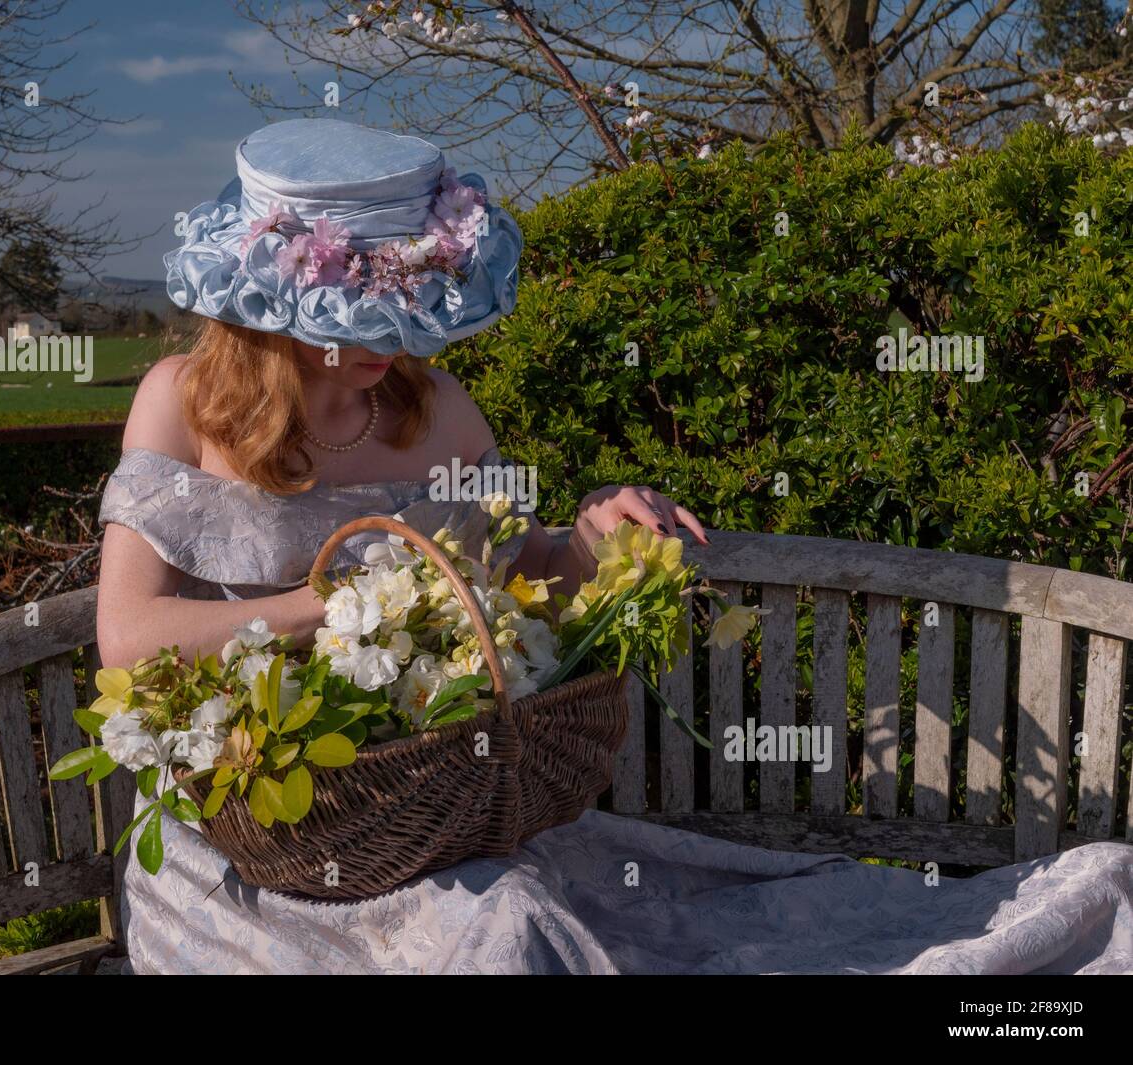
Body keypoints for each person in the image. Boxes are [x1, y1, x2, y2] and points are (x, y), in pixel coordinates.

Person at [97, 119, 1133, 975]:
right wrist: (337, 609)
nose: (404, 338)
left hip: (432, 810)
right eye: (376, 312)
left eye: (419, 308)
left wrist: (591, 539)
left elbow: (511, 575)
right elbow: (129, 639)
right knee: (484, 937)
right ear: (278, 305)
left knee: (507, 926)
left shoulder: (436, 410)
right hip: (249, 830)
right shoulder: (181, 408)